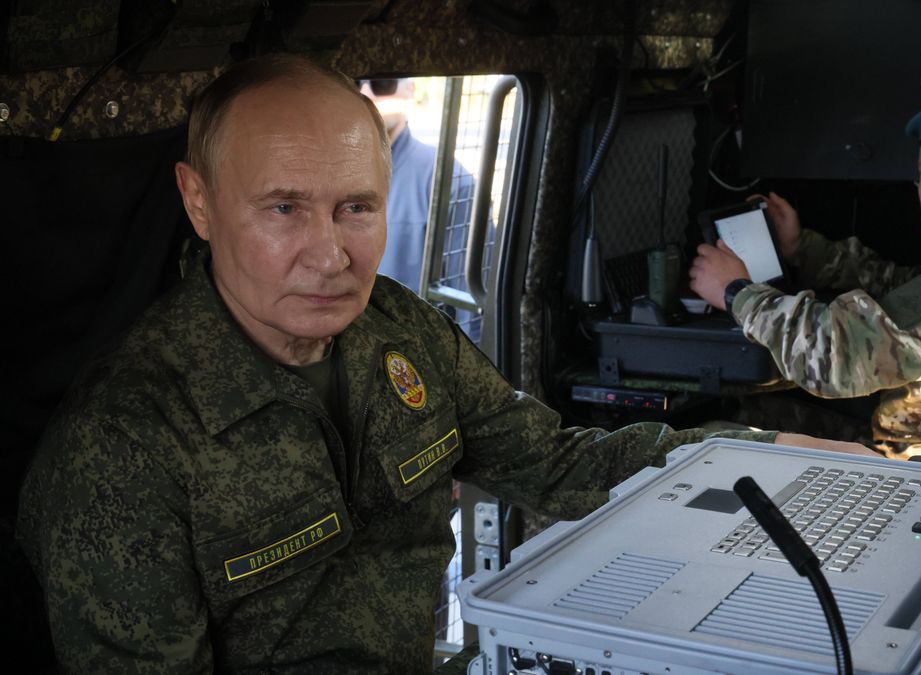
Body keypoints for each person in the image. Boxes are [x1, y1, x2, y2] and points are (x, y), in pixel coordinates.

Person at [17, 54, 870, 674]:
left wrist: (758, 454)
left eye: (357, 208)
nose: (331, 254)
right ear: (198, 203)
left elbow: (559, 463)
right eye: (283, 209)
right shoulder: (125, 444)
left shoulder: (398, 332)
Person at [689, 95, 921, 456]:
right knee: (753, 412)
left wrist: (736, 293)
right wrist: (802, 248)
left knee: (709, 438)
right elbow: (911, 289)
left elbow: (836, 357)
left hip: (917, 462)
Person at [362, 77, 487, 341]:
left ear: (411, 89)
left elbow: (475, 316)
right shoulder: (315, 179)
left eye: (383, 82)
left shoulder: (450, 183)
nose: (367, 92)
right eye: (356, 83)